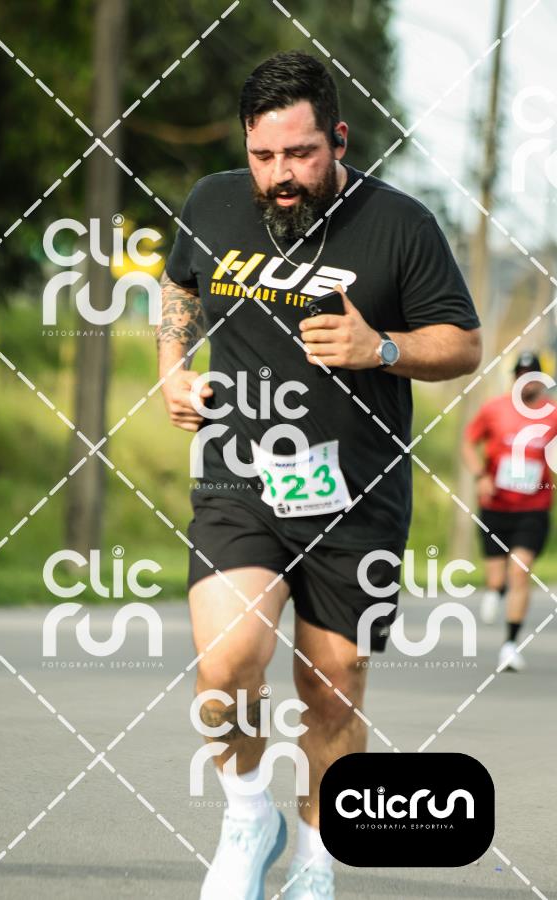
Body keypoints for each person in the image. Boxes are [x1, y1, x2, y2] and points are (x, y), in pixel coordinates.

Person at [158, 50, 481, 900]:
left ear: (338, 138)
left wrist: (383, 348)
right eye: (264, 156)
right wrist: (172, 370)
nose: (281, 175)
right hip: (239, 478)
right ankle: (246, 817)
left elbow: (463, 344)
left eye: (300, 154)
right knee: (227, 664)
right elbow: (179, 284)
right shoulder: (213, 202)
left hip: (358, 495)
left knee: (332, 692)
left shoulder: (401, 225)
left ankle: (312, 859)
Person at [462, 351, 557, 672]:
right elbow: (468, 443)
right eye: (520, 374)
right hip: (496, 506)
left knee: (520, 571)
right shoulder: (494, 409)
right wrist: (480, 476)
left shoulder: (552, 415)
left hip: (533, 507)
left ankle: (510, 644)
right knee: (497, 575)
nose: (525, 381)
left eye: (532, 376)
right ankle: (494, 589)